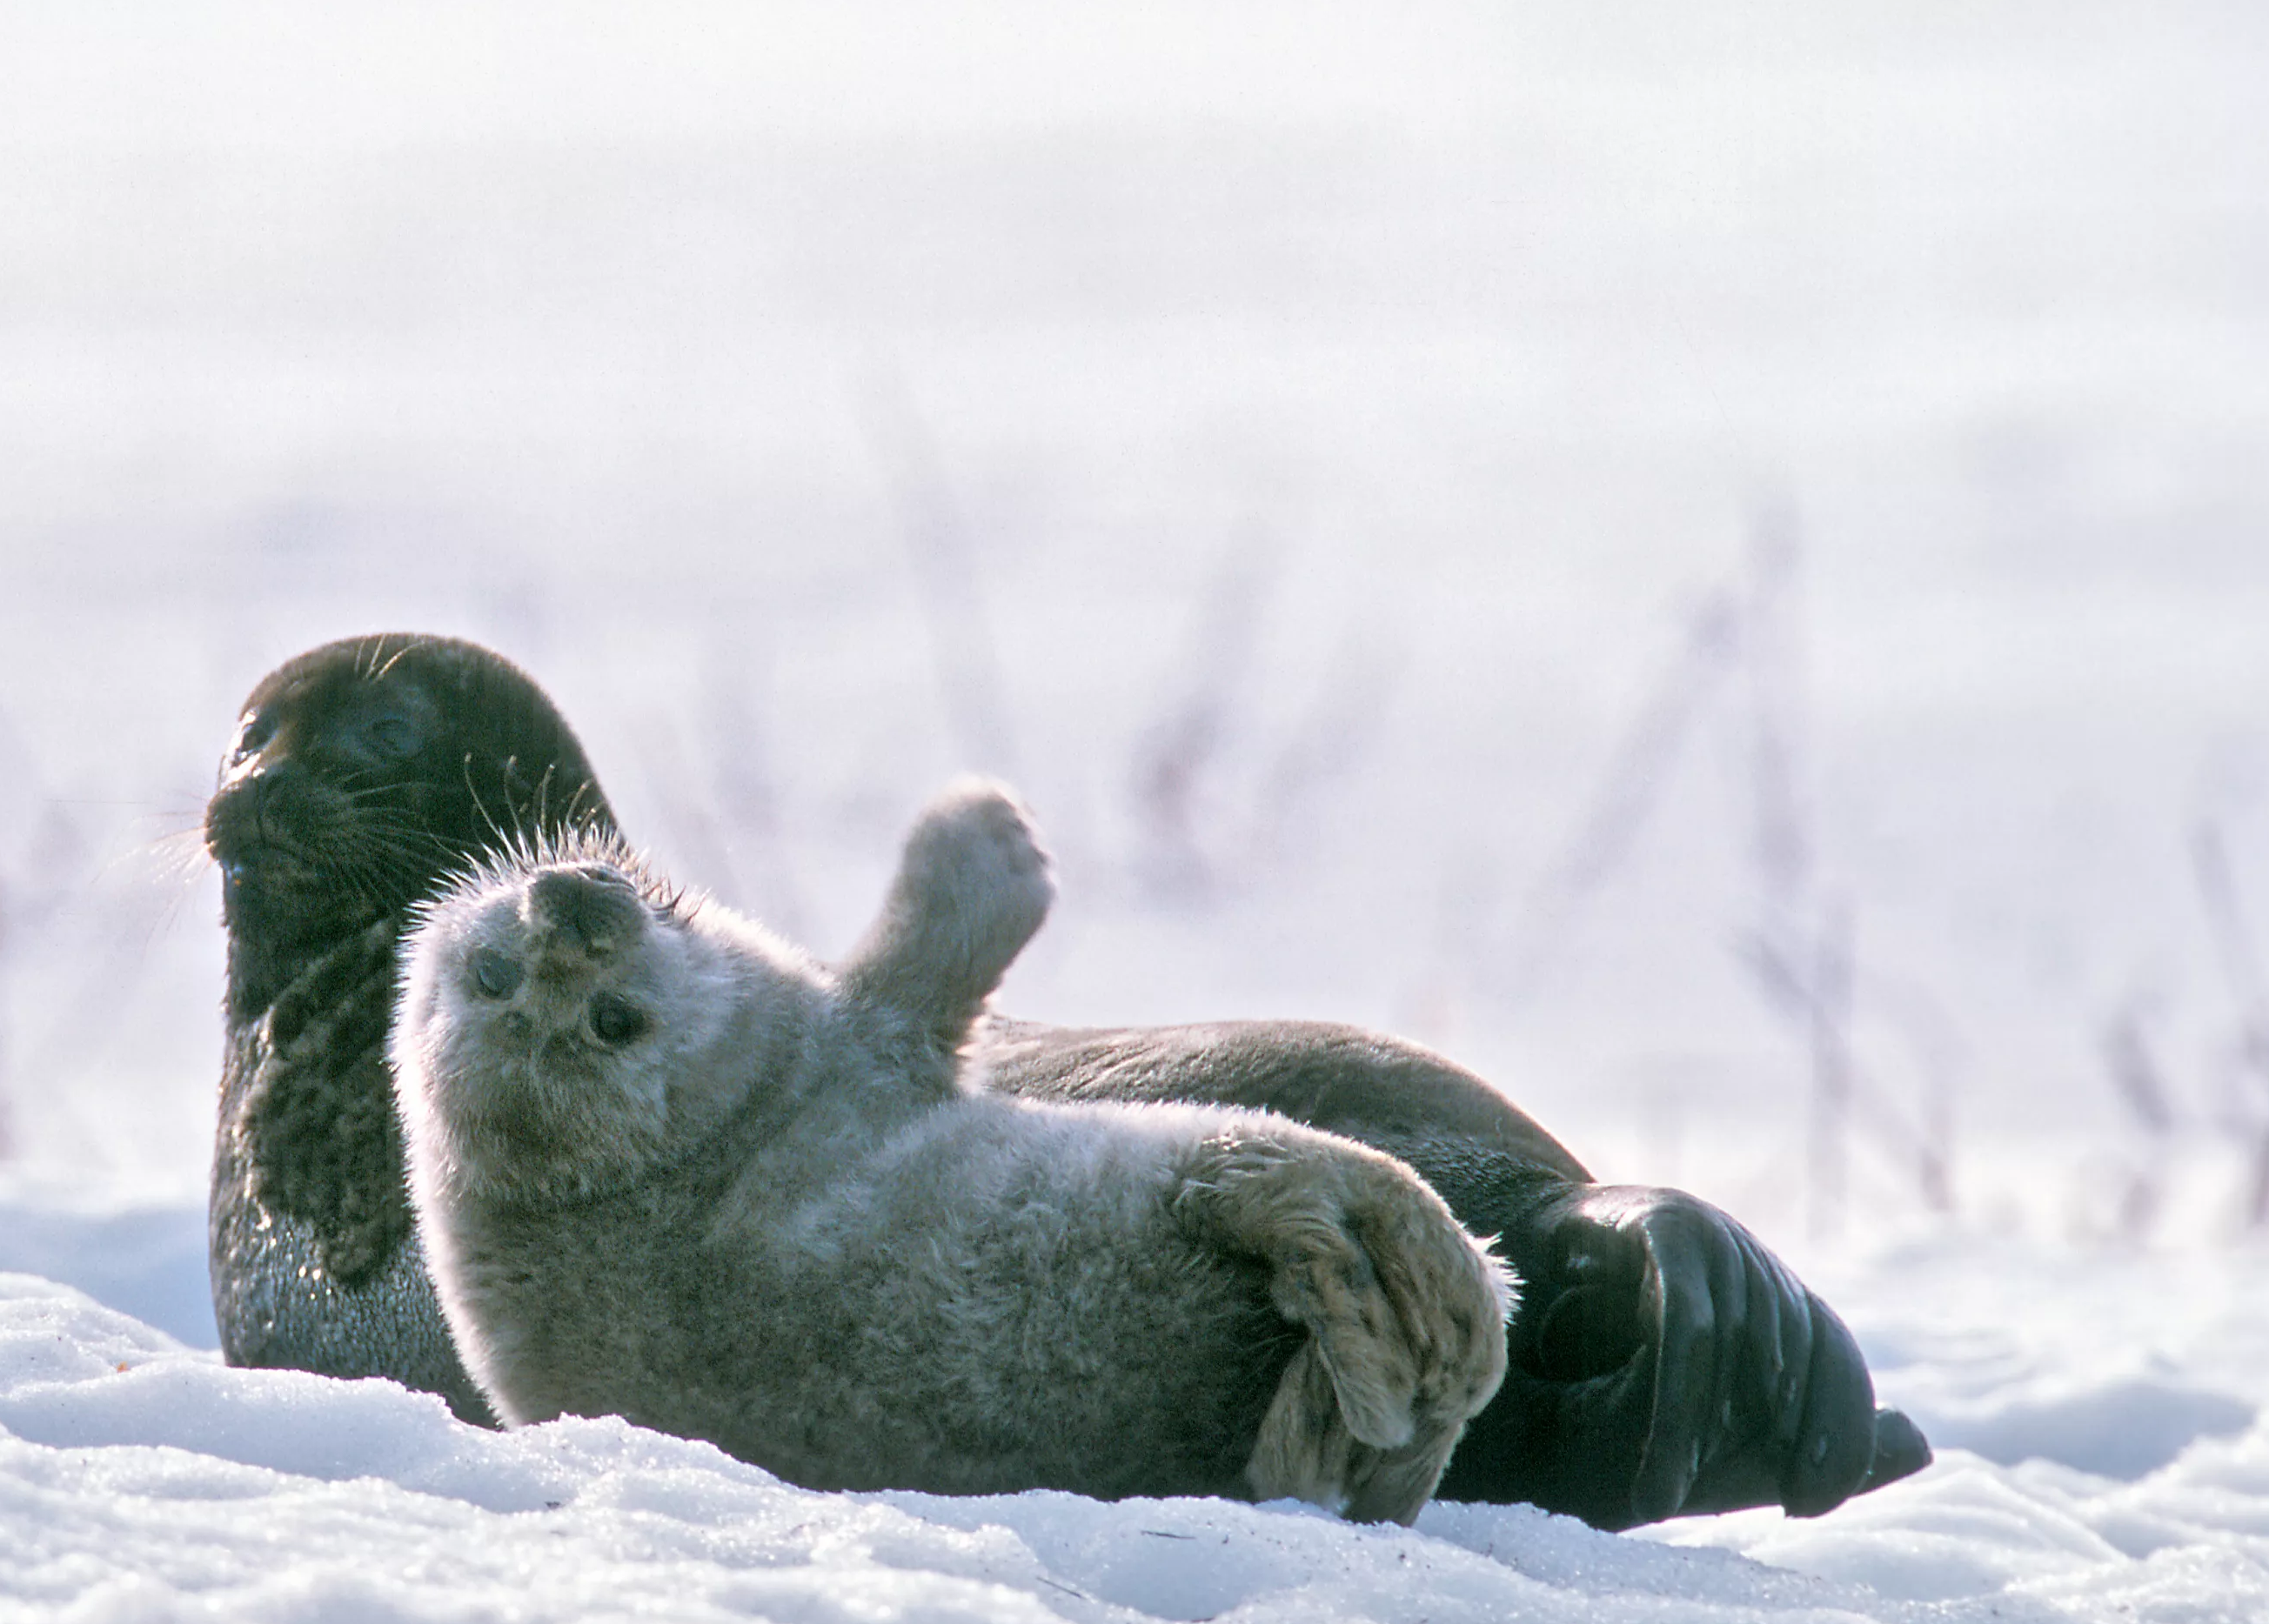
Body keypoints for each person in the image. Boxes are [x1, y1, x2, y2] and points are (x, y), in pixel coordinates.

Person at [203, 632, 1927, 1529]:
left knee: (1462, 1281)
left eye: (359, 758)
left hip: (1315, 1161)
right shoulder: (452, 1139)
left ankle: (1600, 1328)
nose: (271, 791)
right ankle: (1605, 1339)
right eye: (257, 754)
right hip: (1275, 1190)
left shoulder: (614, 1104)